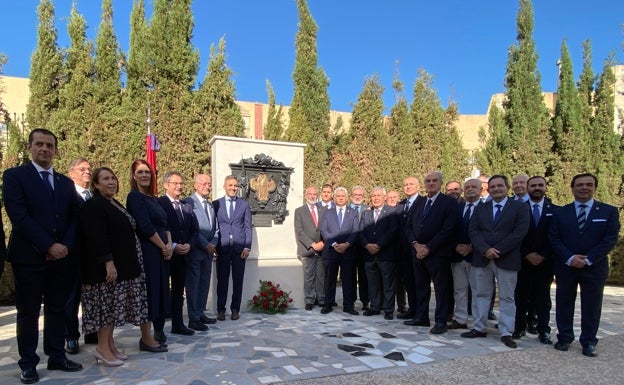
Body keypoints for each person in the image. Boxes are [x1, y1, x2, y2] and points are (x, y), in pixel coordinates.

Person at [2, 128, 83, 384]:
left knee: (58, 309)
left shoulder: (65, 183)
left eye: (50, 145)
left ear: (56, 150)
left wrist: (65, 246)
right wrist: (49, 245)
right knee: (28, 312)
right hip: (29, 257)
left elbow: (74, 217)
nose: (45, 149)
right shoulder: (15, 176)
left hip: (61, 258)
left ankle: (56, 355)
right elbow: (19, 215)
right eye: (39, 144)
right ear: (30, 148)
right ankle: (28, 363)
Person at [78, 167, 160, 367]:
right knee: (105, 311)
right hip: (104, 271)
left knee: (113, 309)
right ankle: (102, 349)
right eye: (105, 179)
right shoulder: (94, 205)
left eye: (113, 178)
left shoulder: (113, 203)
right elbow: (97, 237)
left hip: (121, 269)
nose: (111, 182)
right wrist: (109, 263)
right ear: (96, 184)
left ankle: (110, 346)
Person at [549, 173, 620, 357]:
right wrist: (570, 257)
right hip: (566, 266)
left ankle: (588, 341)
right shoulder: (561, 212)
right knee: (564, 303)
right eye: (579, 184)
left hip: (594, 267)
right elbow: (554, 238)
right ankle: (564, 337)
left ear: (595, 187)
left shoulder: (608, 212)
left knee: (592, 305)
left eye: (589, 184)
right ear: (572, 188)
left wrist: (588, 259)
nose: (584, 187)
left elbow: (609, 239)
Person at [463, 174, 530, 349]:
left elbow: (519, 232)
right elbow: (474, 231)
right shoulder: (481, 208)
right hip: (482, 258)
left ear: (507, 188)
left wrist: (498, 249)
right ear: (488, 189)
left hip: (506, 258)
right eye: (492, 187)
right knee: (480, 294)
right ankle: (479, 327)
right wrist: (485, 249)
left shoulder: (519, 207)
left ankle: (506, 332)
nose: (496, 189)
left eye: (500, 186)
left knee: (507, 297)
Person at [404, 171, 459, 334]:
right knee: (420, 286)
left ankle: (441, 321)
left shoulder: (448, 202)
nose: (431, 183)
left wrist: (428, 247)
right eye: (428, 181)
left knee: (441, 289)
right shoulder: (419, 202)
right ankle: (422, 317)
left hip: (438, 254)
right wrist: (416, 245)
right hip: (418, 252)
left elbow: (448, 228)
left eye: (435, 180)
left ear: (441, 183)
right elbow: (408, 227)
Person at [126, 159, 172, 348]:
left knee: (161, 291)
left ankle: (158, 331)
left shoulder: (154, 199)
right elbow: (145, 226)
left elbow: (165, 224)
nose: (145, 175)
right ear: (134, 176)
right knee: (150, 293)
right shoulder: (134, 197)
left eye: (147, 172)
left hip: (163, 251)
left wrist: (169, 244)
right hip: (149, 252)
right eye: (140, 172)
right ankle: (146, 338)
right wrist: (163, 246)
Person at [513, 176, 558, 344]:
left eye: (540, 185)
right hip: (522, 260)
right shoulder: (518, 208)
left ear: (545, 187)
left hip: (545, 262)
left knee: (543, 298)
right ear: (528, 188)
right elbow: (514, 235)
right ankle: (519, 327)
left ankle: (543, 331)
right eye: (533, 185)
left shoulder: (555, 210)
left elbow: (555, 236)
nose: (536, 188)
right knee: (521, 296)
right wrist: (526, 254)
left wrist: (543, 255)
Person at [158, 171, 198, 335]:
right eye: (175, 183)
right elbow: (158, 227)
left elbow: (194, 231)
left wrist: (189, 244)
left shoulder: (186, 206)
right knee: (161, 291)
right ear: (166, 185)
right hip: (165, 254)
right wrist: (173, 245)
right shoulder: (159, 203)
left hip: (183, 256)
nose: (179, 186)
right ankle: (158, 329)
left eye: (181, 183)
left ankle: (178, 324)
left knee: (178, 291)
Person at [64, 157, 94, 355]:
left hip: (92, 256)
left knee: (93, 295)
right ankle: (71, 336)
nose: (87, 172)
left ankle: (92, 331)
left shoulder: (93, 196)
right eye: (82, 168)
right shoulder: (66, 195)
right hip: (72, 255)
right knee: (71, 298)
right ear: (71, 173)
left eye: (89, 169)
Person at [213, 175, 253, 321]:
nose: (233, 188)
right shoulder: (216, 204)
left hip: (239, 249)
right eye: (230, 185)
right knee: (222, 280)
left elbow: (248, 227)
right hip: (222, 248)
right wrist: (214, 244)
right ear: (225, 186)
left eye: (235, 186)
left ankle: (235, 309)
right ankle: (220, 310)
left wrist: (247, 246)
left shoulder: (244, 205)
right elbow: (213, 226)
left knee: (238, 280)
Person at [183, 174, 219, 329]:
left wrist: (213, 244)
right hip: (195, 252)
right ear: (195, 185)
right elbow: (192, 229)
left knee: (204, 284)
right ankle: (193, 318)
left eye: (209, 184)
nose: (207, 186)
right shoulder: (189, 202)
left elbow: (216, 229)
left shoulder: (210, 205)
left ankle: (200, 312)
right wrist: (205, 244)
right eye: (204, 184)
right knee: (193, 285)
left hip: (208, 253)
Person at [320, 186, 360, 315]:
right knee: (330, 279)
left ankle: (348, 305)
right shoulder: (328, 212)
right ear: (334, 197)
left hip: (348, 251)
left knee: (348, 279)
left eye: (343, 196)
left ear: (346, 197)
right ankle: (328, 303)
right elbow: (324, 230)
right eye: (338, 196)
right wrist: (335, 243)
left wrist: (347, 244)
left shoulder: (353, 212)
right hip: (332, 251)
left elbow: (355, 230)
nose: (341, 198)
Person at [359, 187, 398, 320]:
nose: (375, 198)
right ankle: (374, 307)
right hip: (369, 255)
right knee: (372, 283)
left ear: (384, 197)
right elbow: (360, 231)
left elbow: (392, 231)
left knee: (388, 283)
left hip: (386, 254)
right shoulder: (366, 214)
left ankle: (388, 309)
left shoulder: (392, 212)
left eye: (378, 195)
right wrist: (366, 245)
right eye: (373, 196)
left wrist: (379, 245)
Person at [449, 178, 482, 330]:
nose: (470, 189)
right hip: (458, 255)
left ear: (481, 189)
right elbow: (450, 230)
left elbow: (488, 232)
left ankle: (478, 323)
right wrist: (457, 246)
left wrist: (472, 247)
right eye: (467, 186)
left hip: (477, 256)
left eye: (473, 186)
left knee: (478, 291)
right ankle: (460, 319)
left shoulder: (486, 208)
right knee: (459, 290)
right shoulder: (457, 208)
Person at [295, 185, 326, 311]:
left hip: (322, 249)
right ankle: (309, 300)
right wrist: (313, 245)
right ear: (305, 195)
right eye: (310, 194)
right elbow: (299, 231)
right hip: (307, 249)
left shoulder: (323, 210)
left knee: (321, 276)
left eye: (314, 194)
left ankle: (321, 299)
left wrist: (323, 243)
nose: (312, 196)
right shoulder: (299, 211)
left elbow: (327, 228)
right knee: (309, 276)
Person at [396, 177, 421, 319]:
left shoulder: (423, 202)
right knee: (409, 282)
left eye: (411, 184)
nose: (408, 187)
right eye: (405, 185)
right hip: (403, 252)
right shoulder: (401, 205)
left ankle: (420, 312)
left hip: (417, 249)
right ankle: (412, 309)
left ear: (418, 186)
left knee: (419, 282)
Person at [349, 186, 370, 311]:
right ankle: (351, 301)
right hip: (350, 248)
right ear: (351, 195)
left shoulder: (368, 209)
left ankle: (365, 301)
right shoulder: (345, 209)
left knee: (364, 276)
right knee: (350, 276)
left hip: (364, 249)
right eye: (355, 194)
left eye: (360, 195)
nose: (358, 197)